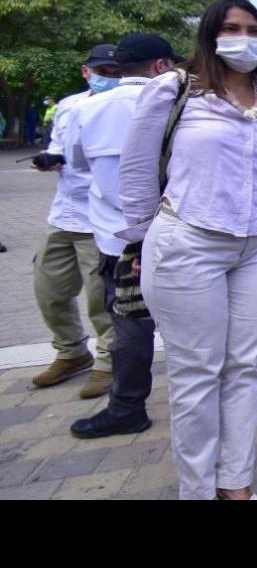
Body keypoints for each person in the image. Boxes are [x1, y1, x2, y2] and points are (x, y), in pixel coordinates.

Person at [117, 0, 257, 500]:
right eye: (232, 28)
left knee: (246, 367)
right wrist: (140, 239)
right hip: (189, 240)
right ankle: (196, 490)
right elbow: (135, 171)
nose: (245, 38)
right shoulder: (173, 90)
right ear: (211, 36)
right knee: (197, 374)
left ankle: (235, 484)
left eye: (254, 29)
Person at [65, 33, 184, 440]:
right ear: (160, 66)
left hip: (117, 239)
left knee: (131, 324)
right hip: (177, 234)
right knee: (191, 323)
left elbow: (76, 165)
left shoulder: (85, 109)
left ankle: (128, 405)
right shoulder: (179, 104)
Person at [28, 44, 121, 400]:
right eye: (103, 73)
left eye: (116, 73)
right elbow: (61, 148)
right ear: (87, 72)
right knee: (49, 290)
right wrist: (49, 159)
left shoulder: (122, 107)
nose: (109, 79)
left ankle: (109, 361)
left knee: (101, 298)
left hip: (99, 218)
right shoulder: (67, 106)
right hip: (62, 213)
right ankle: (70, 351)